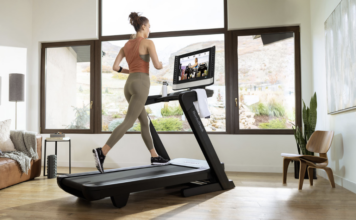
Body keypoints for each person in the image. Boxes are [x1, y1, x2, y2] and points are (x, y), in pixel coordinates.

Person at [92, 12, 170, 173]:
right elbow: (157, 66)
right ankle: (102, 151)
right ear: (143, 26)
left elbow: (115, 67)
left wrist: (132, 72)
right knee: (128, 122)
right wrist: (162, 64)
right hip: (141, 83)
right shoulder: (148, 42)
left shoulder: (126, 45)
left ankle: (154, 156)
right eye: (149, 26)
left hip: (129, 84)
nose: (150, 30)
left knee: (144, 122)